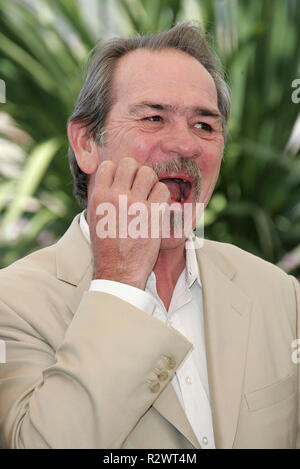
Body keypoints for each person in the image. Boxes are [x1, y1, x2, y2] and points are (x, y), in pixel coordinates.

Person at [0, 21, 299, 450]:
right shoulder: (11, 304)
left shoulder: (279, 295)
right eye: (153, 117)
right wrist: (119, 281)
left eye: (205, 126)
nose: (185, 145)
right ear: (86, 143)